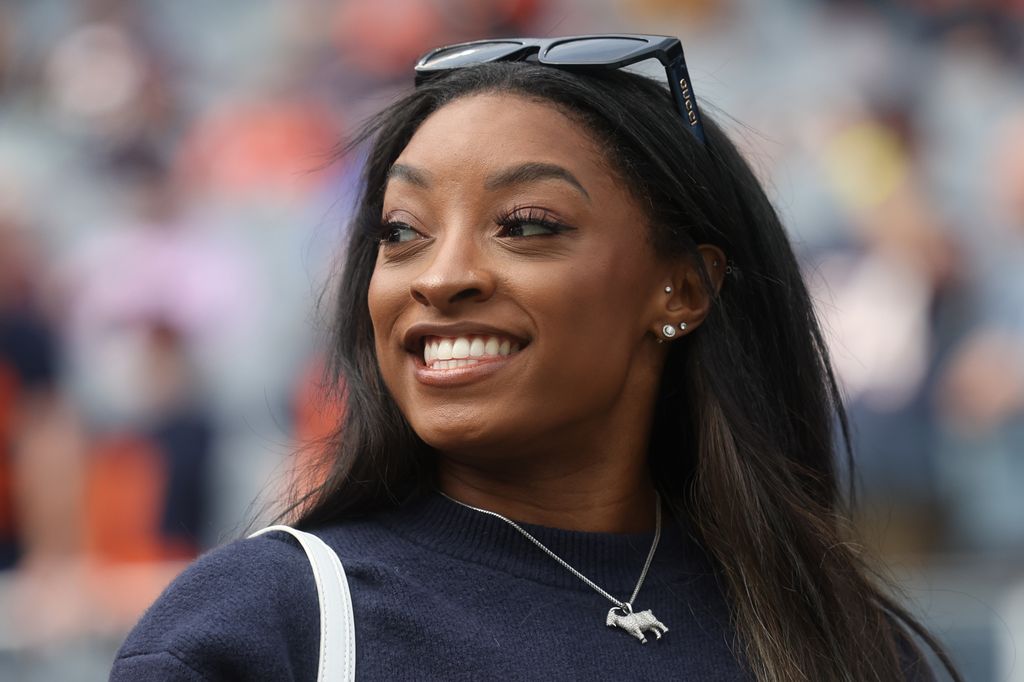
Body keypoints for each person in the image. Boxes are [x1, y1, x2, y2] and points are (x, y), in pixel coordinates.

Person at [110, 35, 959, 681]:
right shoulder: (267, 627)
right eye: (401, 234)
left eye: (526, 225)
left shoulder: (839, 635)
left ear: (684, 289)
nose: (440, 278)